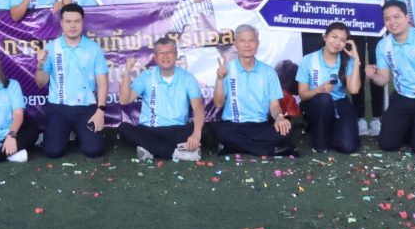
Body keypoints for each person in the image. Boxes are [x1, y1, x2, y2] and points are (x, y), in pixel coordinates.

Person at [365, 1, 415, 156]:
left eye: (397, 17)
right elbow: (383, 79)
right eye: (387, 18)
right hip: (402, 97)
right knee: (387, 144)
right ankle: (414, 127)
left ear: (407, 18)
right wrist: (372, 75)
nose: (392, 22)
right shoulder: (383, 45)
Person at [35, 3, 109, 158]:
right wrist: (40, 65)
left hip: (86, 107)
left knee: (94, 150)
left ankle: (79, 133)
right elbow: (40, 83)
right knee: (52, 152)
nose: (73, 25)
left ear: (82, 22)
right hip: (58, 107)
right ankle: (63, 132)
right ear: (61, 23)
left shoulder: (94, 48)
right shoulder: (52, 48)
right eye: (68, 21)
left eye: (76, 21)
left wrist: (100, 111)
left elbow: (102, 82)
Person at [212, 25, 298, 157]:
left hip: (259, 125)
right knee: (221, 132)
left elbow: (274, 106)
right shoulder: (227, 69)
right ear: (235, 44)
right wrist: (219, 79)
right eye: (242, 40)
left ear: (257, 43)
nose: (247, 45)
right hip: (233, 125)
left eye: (251, 40)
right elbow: (218, 104)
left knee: (285, 131)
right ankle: (268, 150)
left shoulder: (268, 72)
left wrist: (280, 118)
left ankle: (230, 147)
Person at [118, 37, 204, 161]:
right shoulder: (146, 76)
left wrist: (196, 134)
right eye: (161, 53)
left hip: (177, 130)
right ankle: (177, 152)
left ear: (176, 55)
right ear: (155, 57)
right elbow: (124, 100)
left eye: (169, 52)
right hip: (150, 130)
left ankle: (149, 149)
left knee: (204, 130)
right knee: (124, 129)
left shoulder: (187, 78)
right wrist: (127, 72)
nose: (165, 56)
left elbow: (198, 107)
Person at [340, 0, 385, 139]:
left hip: (378, 25)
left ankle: (377, 117)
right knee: (356, 68)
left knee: (376, 68)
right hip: (356, 25)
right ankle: (359, 118)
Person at [296, 23, 361, 154]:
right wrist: (319, 89)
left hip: (339, 103)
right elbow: (302, 95)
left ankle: (330, 129)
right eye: (334, 37)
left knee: (348, 146)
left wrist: (356, 61)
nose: (337, 43)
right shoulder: (309, 59)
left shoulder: (347, 61)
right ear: (325, 37)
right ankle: (319, 139)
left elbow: (353, 90)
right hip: (316, 103)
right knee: (324, 100)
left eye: (342, 40)